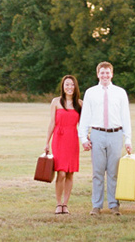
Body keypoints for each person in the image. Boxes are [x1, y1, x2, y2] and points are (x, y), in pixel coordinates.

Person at [78, 61, 132, 216]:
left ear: (112, 74)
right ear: (98, 74)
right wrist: (83, 137)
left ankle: (114, 205)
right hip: (97, 134)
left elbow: (125, 117)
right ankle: (97, 205)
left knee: (114, 172)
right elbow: (85, 116)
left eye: (107, 72)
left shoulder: (120, 92)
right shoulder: (91, 92)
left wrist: (128, 139)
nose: (105, 75)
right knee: (98, 172)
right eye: (102, 72)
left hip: (116, 134)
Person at [45, 74, 82, 215]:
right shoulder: (55, 102)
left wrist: (87, 138)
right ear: (63, 86)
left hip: (72, 139)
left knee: (70, 173)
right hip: (59, 140)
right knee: (61, 173)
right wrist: (46, 142)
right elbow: (52, 123)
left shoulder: (80, 104)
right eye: (67, 84)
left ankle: (65, 204)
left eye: (72, 84)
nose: (69, 87)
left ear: (75, 87)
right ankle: (58, 203)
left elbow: (82, 125)